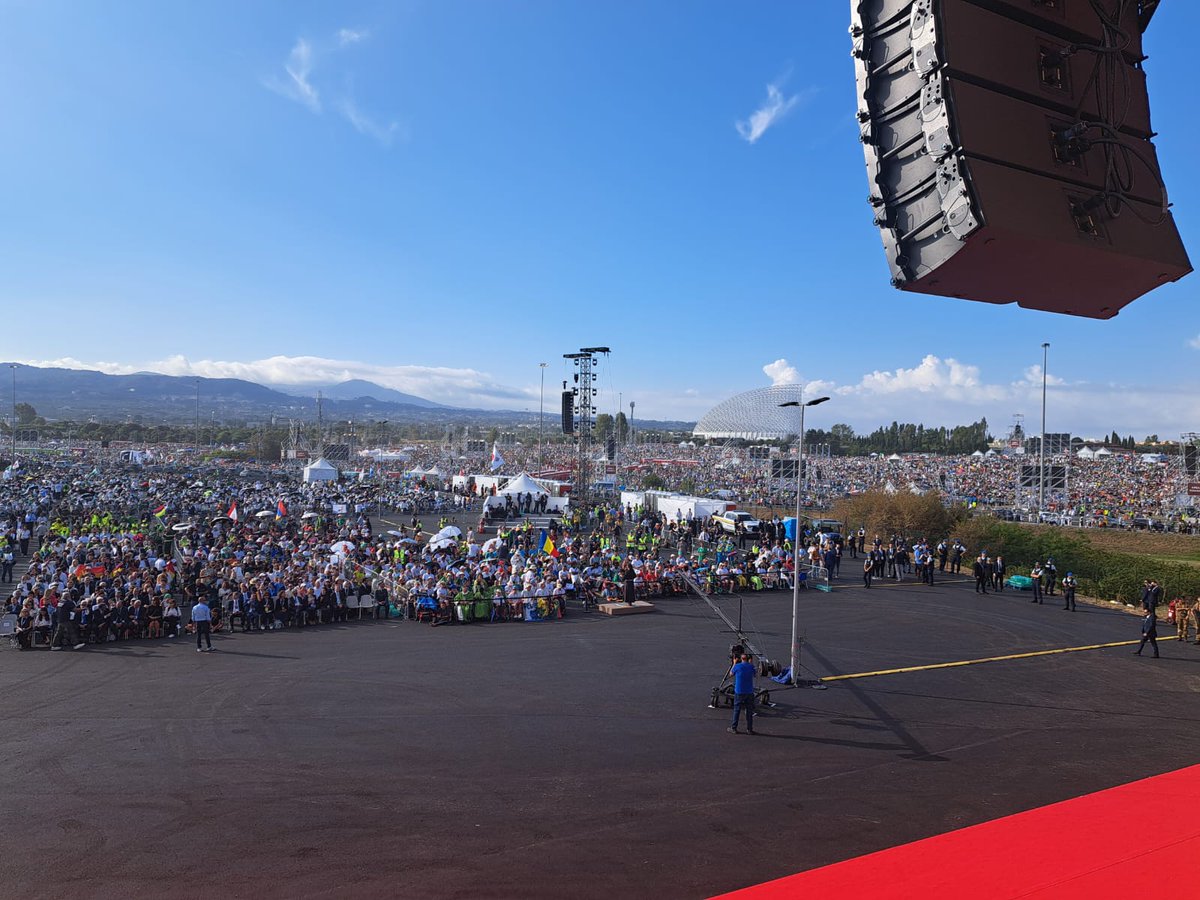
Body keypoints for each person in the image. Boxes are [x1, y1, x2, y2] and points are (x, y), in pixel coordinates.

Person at [728, 652, 757, 735]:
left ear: (741, 659)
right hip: (749, 692)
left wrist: (734, 663)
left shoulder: (737, 666)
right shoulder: (751, 667)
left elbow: (731, 674)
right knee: (749, 711)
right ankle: (749, 729)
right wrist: (751, 663)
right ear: (749, 659)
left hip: (739, 691)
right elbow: (755, 674)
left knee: (737, 710)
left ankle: (734, 728)